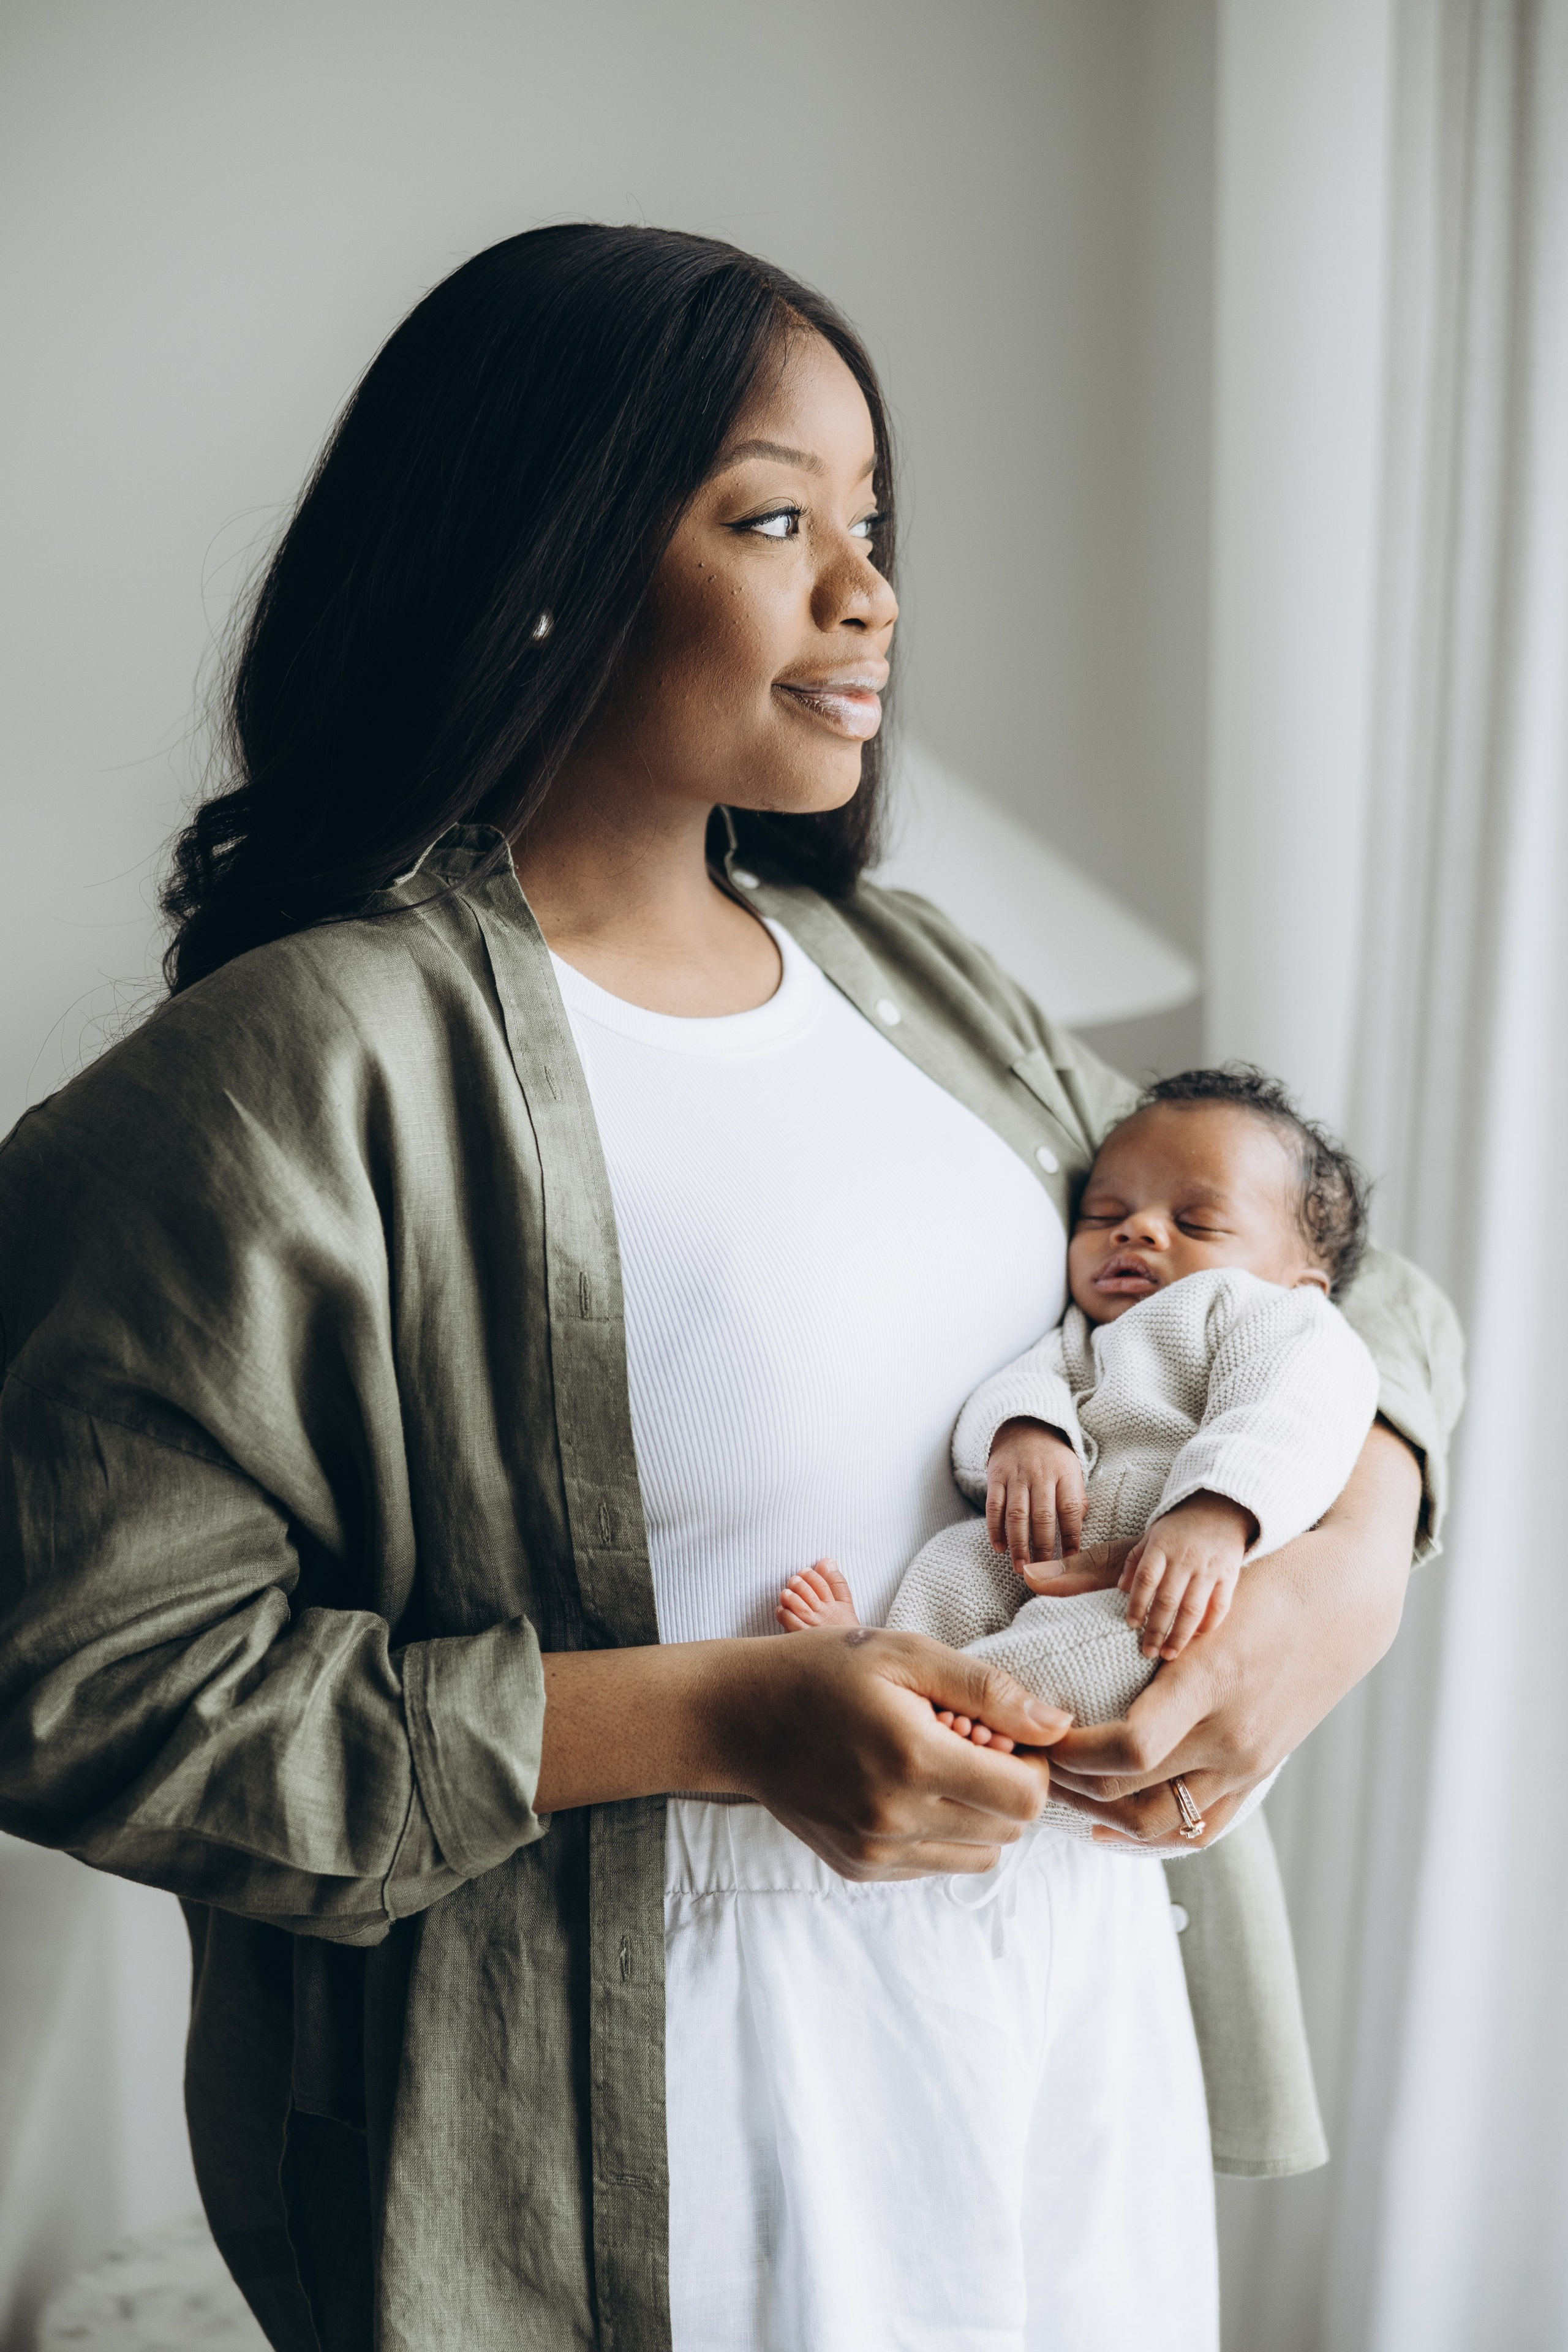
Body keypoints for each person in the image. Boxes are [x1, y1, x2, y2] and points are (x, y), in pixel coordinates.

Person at [0, 225, 1463, 2352]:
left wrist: (1350, 1579)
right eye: (777, 519)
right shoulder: (290, 1077)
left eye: (871, 523)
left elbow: (1334, 1272)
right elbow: (86, 1682)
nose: (872, 592)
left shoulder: (919, 984)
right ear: (550, 562)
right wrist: (709, 1721)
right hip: (657, 2138)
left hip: (1066, 2058)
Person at [777, 1068, 1381, 1784]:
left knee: (1112, 1645)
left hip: (1179, 1578)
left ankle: (961, 1724)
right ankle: (885, 1661)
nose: (1139, 1228)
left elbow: (1294, 1416)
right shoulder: (1077, 1335)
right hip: (1048, 1550)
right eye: (1102, 1214)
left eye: (1197, 1224)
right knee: (959, 1565)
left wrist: (1216, 1514)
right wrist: (1027, 1436)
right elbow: (1018, 1387)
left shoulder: (1282, 1320)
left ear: (1300, 1280)